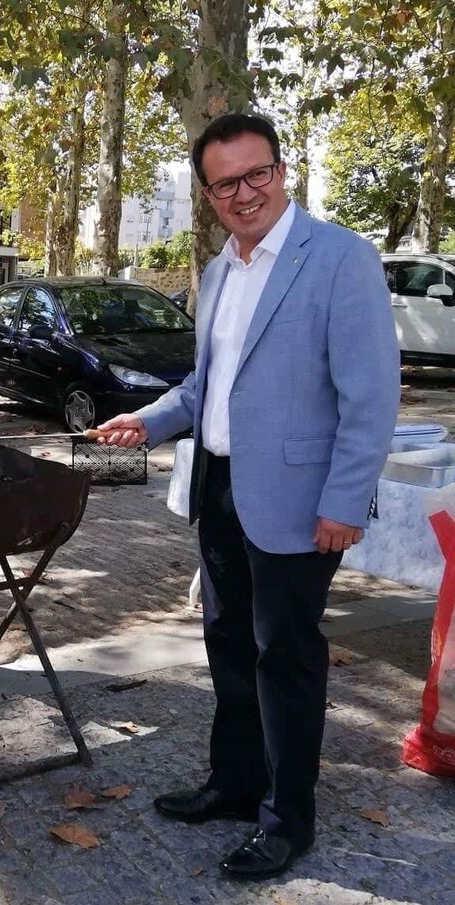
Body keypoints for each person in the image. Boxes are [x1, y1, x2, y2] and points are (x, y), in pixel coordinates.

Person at [99, 113, 400, 880]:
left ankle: (287, 819)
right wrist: (150, 417)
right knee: (229, 645)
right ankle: (235, 785)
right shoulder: (217, 271)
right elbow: (208, 386)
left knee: (286, 660)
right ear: (207, 194)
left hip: (303, 500)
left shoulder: (339, 258)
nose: (244, 192)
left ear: (281, 170)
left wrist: (346, 501)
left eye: (255, 173)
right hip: (222, 487)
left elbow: (370, 398)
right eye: (225, 182)